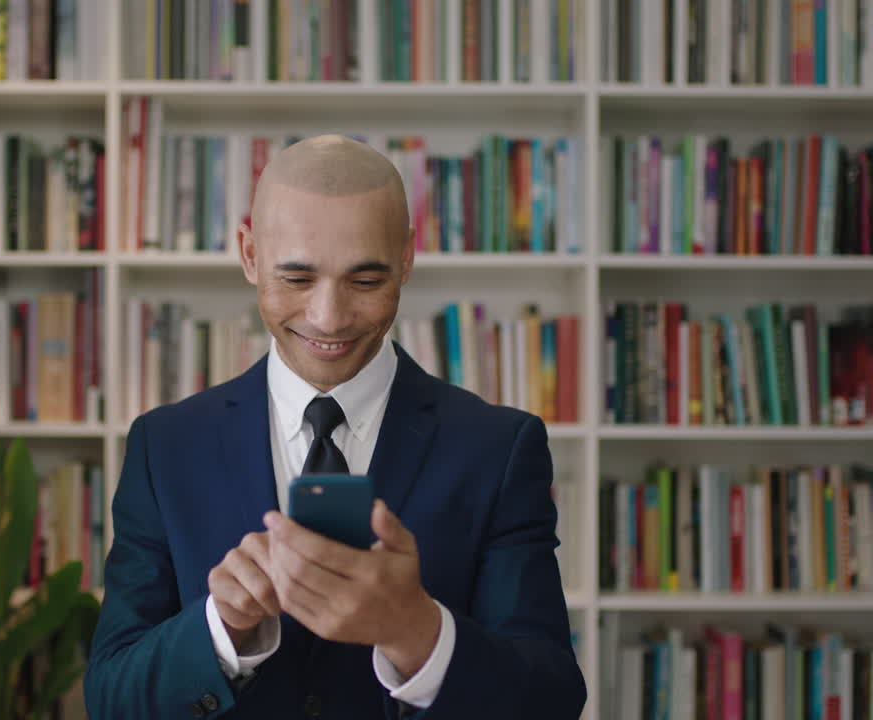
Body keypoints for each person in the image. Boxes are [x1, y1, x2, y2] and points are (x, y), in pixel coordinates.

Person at [84, 134, 586, 719]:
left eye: (366, 281)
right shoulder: (164, 447)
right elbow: (110, 698)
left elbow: (551, 699)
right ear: (249, 255)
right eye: (296, 280)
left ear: (406, 259)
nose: (329, 318)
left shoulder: (500, 448)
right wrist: (220, 630)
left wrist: (417, 632)